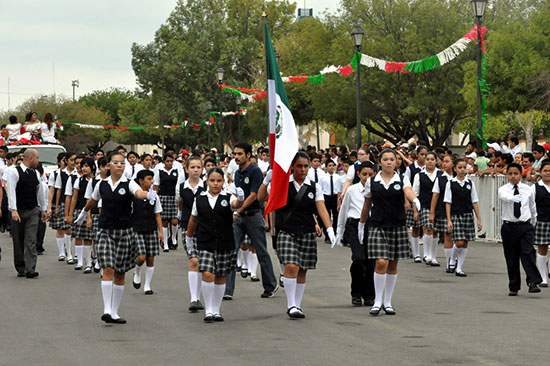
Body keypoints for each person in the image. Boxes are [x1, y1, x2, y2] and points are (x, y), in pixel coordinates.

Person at [76, 151, 159, 324]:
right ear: (108, 166)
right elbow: (92, 199)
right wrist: (84, 212)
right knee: (108, 268)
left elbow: (138, 193)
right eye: (116, 163)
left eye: (122, 163)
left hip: (124, 231)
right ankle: (106, 309)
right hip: (105, 230)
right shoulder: (101, 184)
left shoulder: (129, 184)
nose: (119, 166)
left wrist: (148, 194)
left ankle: (114, 312)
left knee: (120, 273)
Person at [259, 152, 336, 319]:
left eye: (306, 166)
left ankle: (298, 305)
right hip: (286, 230)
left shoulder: (314, 186)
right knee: (291, 266)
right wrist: (266, 181)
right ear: (292, 167)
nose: (303, 169)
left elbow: (321, 208)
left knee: (302, 269)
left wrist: (329, 228)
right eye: (299, 166)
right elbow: (261, 197)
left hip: (306, 231)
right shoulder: (282, 184)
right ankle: (291, 304)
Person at [358, 149, 421, 316]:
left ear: (396, 162)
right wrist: (361, 223)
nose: (388, 162)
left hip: (397, 224)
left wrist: (414, 199)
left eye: (392, 159)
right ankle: (378, 300)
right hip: (377, 225)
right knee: (381, 262)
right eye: (385, 159)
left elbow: (407, 191)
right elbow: (367, 204)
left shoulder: (402, 178)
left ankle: (388, 301)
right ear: (379, 162)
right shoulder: (372, 181)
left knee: (393, 263)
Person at [185, 168, 244, 322]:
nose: (215, 184)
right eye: (212, 180)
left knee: (221, 276)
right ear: (207, 181)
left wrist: (241, 199)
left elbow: (236, 204)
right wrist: (189, 238)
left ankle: (217, 310)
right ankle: (209, 309)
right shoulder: (200, 199)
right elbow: (193, 219)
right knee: (207, 273)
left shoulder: (227, 196)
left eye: (219, 181)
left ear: (223, 182)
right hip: (205, 241)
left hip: (224, 241)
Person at [224, 143, 278, 300]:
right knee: (231, 251)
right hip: (240, 217)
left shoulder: (254, 171)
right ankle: (227, 290)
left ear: (248, 155)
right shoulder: (238, 173)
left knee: (261, 252)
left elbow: (254, 195)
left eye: (240, 154)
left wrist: (238, 210)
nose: (236, 156)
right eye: (235, 154)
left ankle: (270, 285)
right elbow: (237, 195)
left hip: (253, 215)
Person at [498, 163, 542, 296]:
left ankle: (533, 281)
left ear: (520, 174)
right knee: (512, 256)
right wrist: (512, 198)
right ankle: (514, 285)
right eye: (510, 174)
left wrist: (534, 219)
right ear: (507, 175)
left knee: (528, 252)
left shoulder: (527, 189)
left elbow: (532, 205)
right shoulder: (503, 189)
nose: (513, 177)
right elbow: (503, 197)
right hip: (509, 226)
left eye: (516, 174)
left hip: (525, 225)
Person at [336, 161, 376, 306]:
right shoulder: (352, 190)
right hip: (354, 225)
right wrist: (339, 231)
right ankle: (356, 293)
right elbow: (344, 210)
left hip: (371, 226)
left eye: (370, 174)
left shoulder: (376, 189)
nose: (367, 177)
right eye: (364, 174)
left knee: (371, 261)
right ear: (358, 174)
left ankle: (370, 295)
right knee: (359, 259)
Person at [7, 149, 48, 278]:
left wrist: (43, 209)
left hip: (32, 210)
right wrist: (13, 209)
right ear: (30, 158)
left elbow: (39, 192)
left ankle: (30, 269)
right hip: (18, 211)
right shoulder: (14, 172)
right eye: (37, 157)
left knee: (31, 239)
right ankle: (21, 267)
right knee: (18, 240)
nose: (38, 160)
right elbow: (11, 191)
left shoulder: (35, 173)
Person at [444, 159, 482, 277]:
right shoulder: (451, 183)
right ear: (455, 169)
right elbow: (448, 202)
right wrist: (449, 220)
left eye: (464, 167)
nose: (462, 170)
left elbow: (474, 201)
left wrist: (478, 219)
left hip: (467, 214)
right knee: (459, 241)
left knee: (465, 242)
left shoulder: (470, 183)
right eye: (459, 167)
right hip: (456, 215)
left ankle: (459, 268)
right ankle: (452, 259)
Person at [177, 156, 205, 311]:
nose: (195, 170)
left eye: (198, 167)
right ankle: (194, 298)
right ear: (187, 169)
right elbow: (179, 202)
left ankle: (201, 295)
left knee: (203, 263)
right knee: (193, 261)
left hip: (205, 228)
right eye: (192, 167)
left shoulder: (207, 186)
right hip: (187, 227)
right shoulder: (181, 187)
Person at [132, 170, 163, 295]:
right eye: (148, 179)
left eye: (152, 179)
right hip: (137, 228)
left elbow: (157, 214)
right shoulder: (134, 196)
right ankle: (137, 271)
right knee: (142, 256)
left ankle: (147, 285)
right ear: (140, 181)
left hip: (151, 229)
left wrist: (160, 232)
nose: (151, 182)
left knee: (151, 258)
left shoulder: (155, 196)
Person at [66, 158, 96, 272]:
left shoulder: (97, 180)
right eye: (82, 166)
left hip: (94, 211)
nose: (83, 168)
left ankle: (94, 259)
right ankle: (81, 261)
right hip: (80, 210)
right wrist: (70, 214)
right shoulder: (79, 180)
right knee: (79, 236)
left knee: (92, 238)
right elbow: (73, 197)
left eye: (86, 166)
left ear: (93, 167)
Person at [412, 151, 441, 266]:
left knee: (435, 231)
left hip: (438, 206)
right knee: (427, 228)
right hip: (424, 205)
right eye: (427, 159)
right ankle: (427, 254)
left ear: (436, 161)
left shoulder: (441, 174)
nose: (430, 161)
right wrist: (415, 211)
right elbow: (415, 194)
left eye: (432, 159)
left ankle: (433, 256)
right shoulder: (419, 175)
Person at [429, 154, 455, 272]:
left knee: (459, 239)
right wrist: (432, 213)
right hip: (443, 210)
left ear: (453, 164)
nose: (444, 164)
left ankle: (455, 259)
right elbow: (435, 195)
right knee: (447, 235)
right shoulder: (440, 178)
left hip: (458, 210)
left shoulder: (459, 177)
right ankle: (450, 261)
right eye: (443, 161)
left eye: (447, 161)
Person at [405, 146, 427, 262]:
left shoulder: (430, 168)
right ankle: (417, 253)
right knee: (416, 226)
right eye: (422, 154)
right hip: (414, 199)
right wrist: (407, 201)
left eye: (426, 154)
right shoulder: (411, 168)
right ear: (417, 155)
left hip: (426, 200)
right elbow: (406, 184)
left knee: (427, 227)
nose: (424, 157)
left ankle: (427, 254)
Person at [153, 155, 180, 251]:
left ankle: (173, 238)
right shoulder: (159, 172)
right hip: (162, 197)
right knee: (164, 221)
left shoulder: (177, 171)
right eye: (167, 161)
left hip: (173, 197)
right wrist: (155, 199)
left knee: (174, 221)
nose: (169, 163)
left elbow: (179, 186)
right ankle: (165, 243)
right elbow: (156, 186)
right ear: (164, 162)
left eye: (171, 161)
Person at [54, 153, 77, 264]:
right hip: (64, 202)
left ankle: (73, 252)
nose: (74, 163)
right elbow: (58, 190)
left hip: (77, 203)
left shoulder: (79, 174)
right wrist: (57, 206)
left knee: (72, 230)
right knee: (62, 228)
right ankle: (64, 253)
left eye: (76, 161)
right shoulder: (61, 173)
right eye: (72, 160)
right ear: (66, 161)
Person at [532, 160, 550, 287]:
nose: (548, 173)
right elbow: (531, 206)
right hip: (542, 221)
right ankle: (543, 277)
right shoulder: (535, 188)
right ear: (540, 172)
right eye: (545, 171)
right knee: (542, 248)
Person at [319, 160, 342, 244]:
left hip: (335, 197)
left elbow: (339, 189)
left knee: (336, 217)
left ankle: (334, 232)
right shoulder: (323, 178)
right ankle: (327, 235)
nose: (331, 167)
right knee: (326, 216)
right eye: (329, 165)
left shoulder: (338, 177)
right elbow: (320, 189)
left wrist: (339, 201)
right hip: (326, 197)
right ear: (326, 167)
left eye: (333, 165)